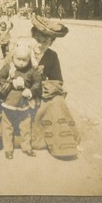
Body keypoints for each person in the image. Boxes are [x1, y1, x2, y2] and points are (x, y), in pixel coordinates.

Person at [30, 15, 81, 159]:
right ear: (32, 36)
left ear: (51, 42)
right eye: (38, 40)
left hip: (42, 93)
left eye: (45, 42)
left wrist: (45, 87)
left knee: (58, 102)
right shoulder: (22, 51)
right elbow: (7, 74)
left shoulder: (52, 56)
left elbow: (57, 80)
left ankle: (63, 145)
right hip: (24, 93)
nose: (40, 44)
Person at [0, 40, 41, 159]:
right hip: (9, 103)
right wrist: (10, 83)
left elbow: (37, 83)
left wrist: (30, 91)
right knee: (7, 126)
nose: (20, 63)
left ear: (29, 59)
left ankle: (27, 147)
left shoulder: (31, 70)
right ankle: (8, 149)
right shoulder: (9, 67)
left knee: (26, 126)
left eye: (24, 60)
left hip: (24, 103)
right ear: (13, 57)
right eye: (18, 59)